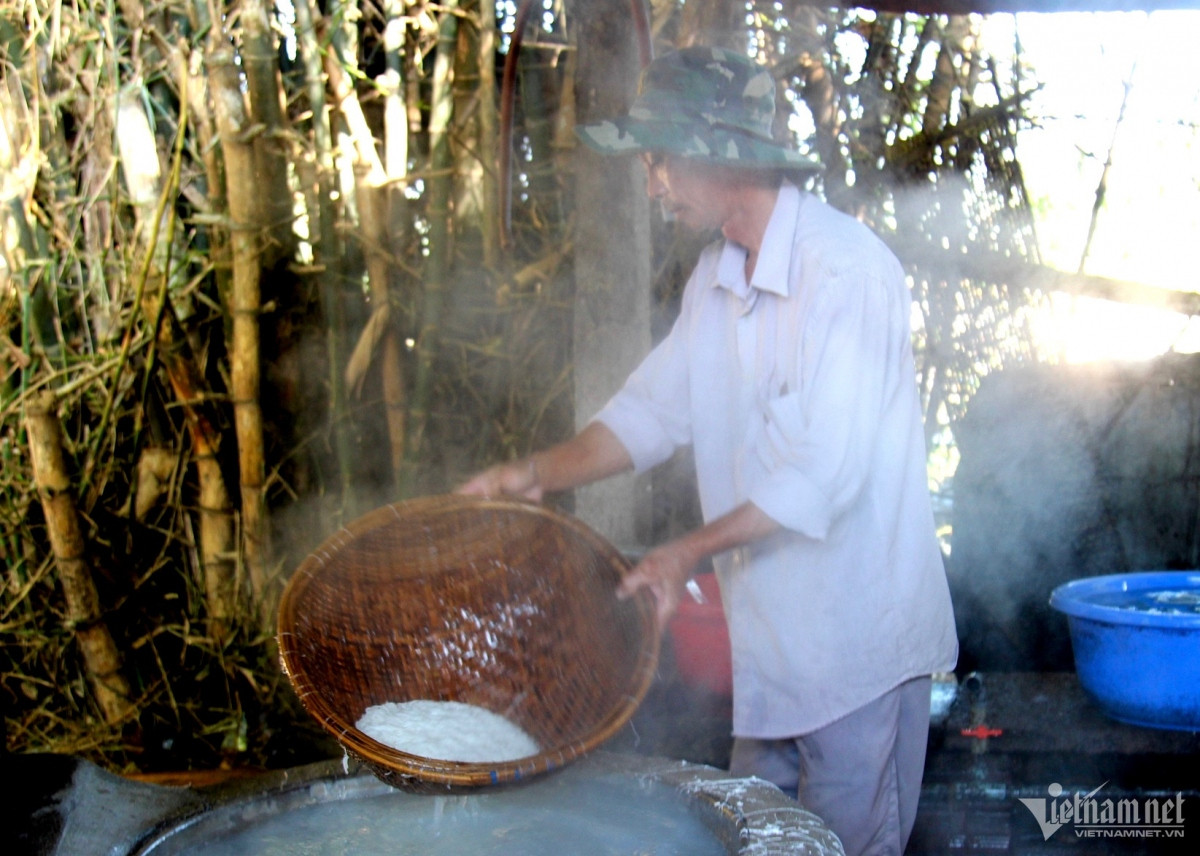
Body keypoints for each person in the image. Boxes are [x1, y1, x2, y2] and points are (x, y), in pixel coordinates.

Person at [459, 45, 958, 856]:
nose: (652, 182)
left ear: (722, 155)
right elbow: (650, 413)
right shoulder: (715, 280)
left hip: (858, 653)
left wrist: (684, 551)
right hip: (771, 658)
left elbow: (823, 476)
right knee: (754, 841)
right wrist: (535, 473)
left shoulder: (847, 273)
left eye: (660, 158)